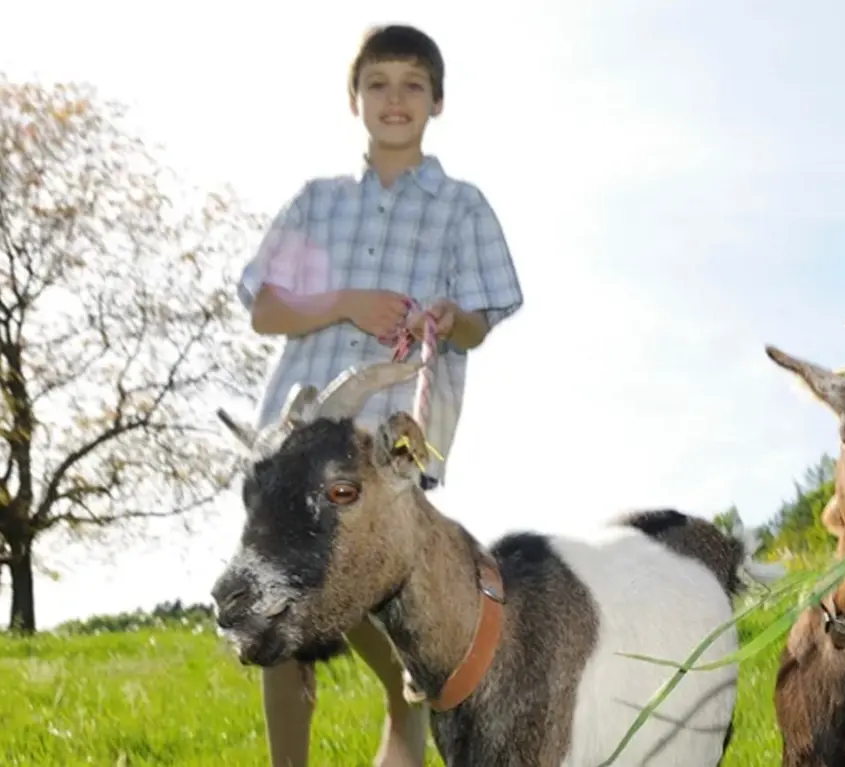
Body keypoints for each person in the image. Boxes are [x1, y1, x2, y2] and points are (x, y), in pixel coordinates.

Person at [234, 23, 524, 767]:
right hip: (296, 436)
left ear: (438, 101)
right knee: (280, 602)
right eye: (379, 83)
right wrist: (345, 300)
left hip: (386, 435)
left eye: (413, 85)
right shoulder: (317, 202)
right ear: (355, 98)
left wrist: (450, 318)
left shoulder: (462, 207)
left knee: (364, 580)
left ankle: (403, 708)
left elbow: (478, 325)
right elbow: (266, 308)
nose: (395, 98)